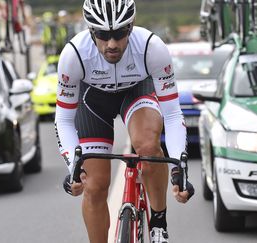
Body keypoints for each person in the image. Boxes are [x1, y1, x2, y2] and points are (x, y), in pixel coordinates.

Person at [55, 0, 194, 242]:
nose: (111, 44)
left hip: (136, 92)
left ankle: (158, 223)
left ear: (130, 28)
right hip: (92, 101)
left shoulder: (152, 47)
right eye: (102, 34)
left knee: (148, 146)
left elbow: (172, 114)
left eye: (119, 34)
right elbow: (64, 119)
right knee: (95, 186)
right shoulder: (74, 54)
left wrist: (178, 171)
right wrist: (73, 169)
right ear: (90, 31)